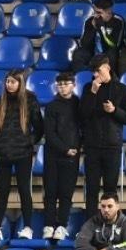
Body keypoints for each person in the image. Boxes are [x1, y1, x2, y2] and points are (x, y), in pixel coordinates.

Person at [0, 70, 41, 237]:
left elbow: (39, 127)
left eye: (12, 82)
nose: (9, 85)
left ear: (20, 83)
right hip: (3, 154)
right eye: (7, 82)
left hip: (23, 154)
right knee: (2, 190)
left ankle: (28, 227)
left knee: (24, 189)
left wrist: (28, 142)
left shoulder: (30, 100)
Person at [78, 57, 126, 212]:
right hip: (92, 146)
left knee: (110, 189)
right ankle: (90, 224)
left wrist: (114, 110)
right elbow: (82, 114)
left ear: (107, 67)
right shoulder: (88, 88)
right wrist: (92, 94)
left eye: (99, 70)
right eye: (93, 71)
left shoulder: (122, 89)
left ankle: (111, 225)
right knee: (91, 189)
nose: (96, 75)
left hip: (112, 147)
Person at [37, 73, 80, 241]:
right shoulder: (51, 106)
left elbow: (81, 128)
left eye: (66, 84)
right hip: (53, 154)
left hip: (72, 156)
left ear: (73, 85)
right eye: (60, 84)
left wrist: (75, 148)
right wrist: (64, 149)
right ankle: (49, 225)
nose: (63, 87)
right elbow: (49, 132)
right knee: (50, 192)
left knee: (66, 193)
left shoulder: (78, 104)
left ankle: (62, 226)